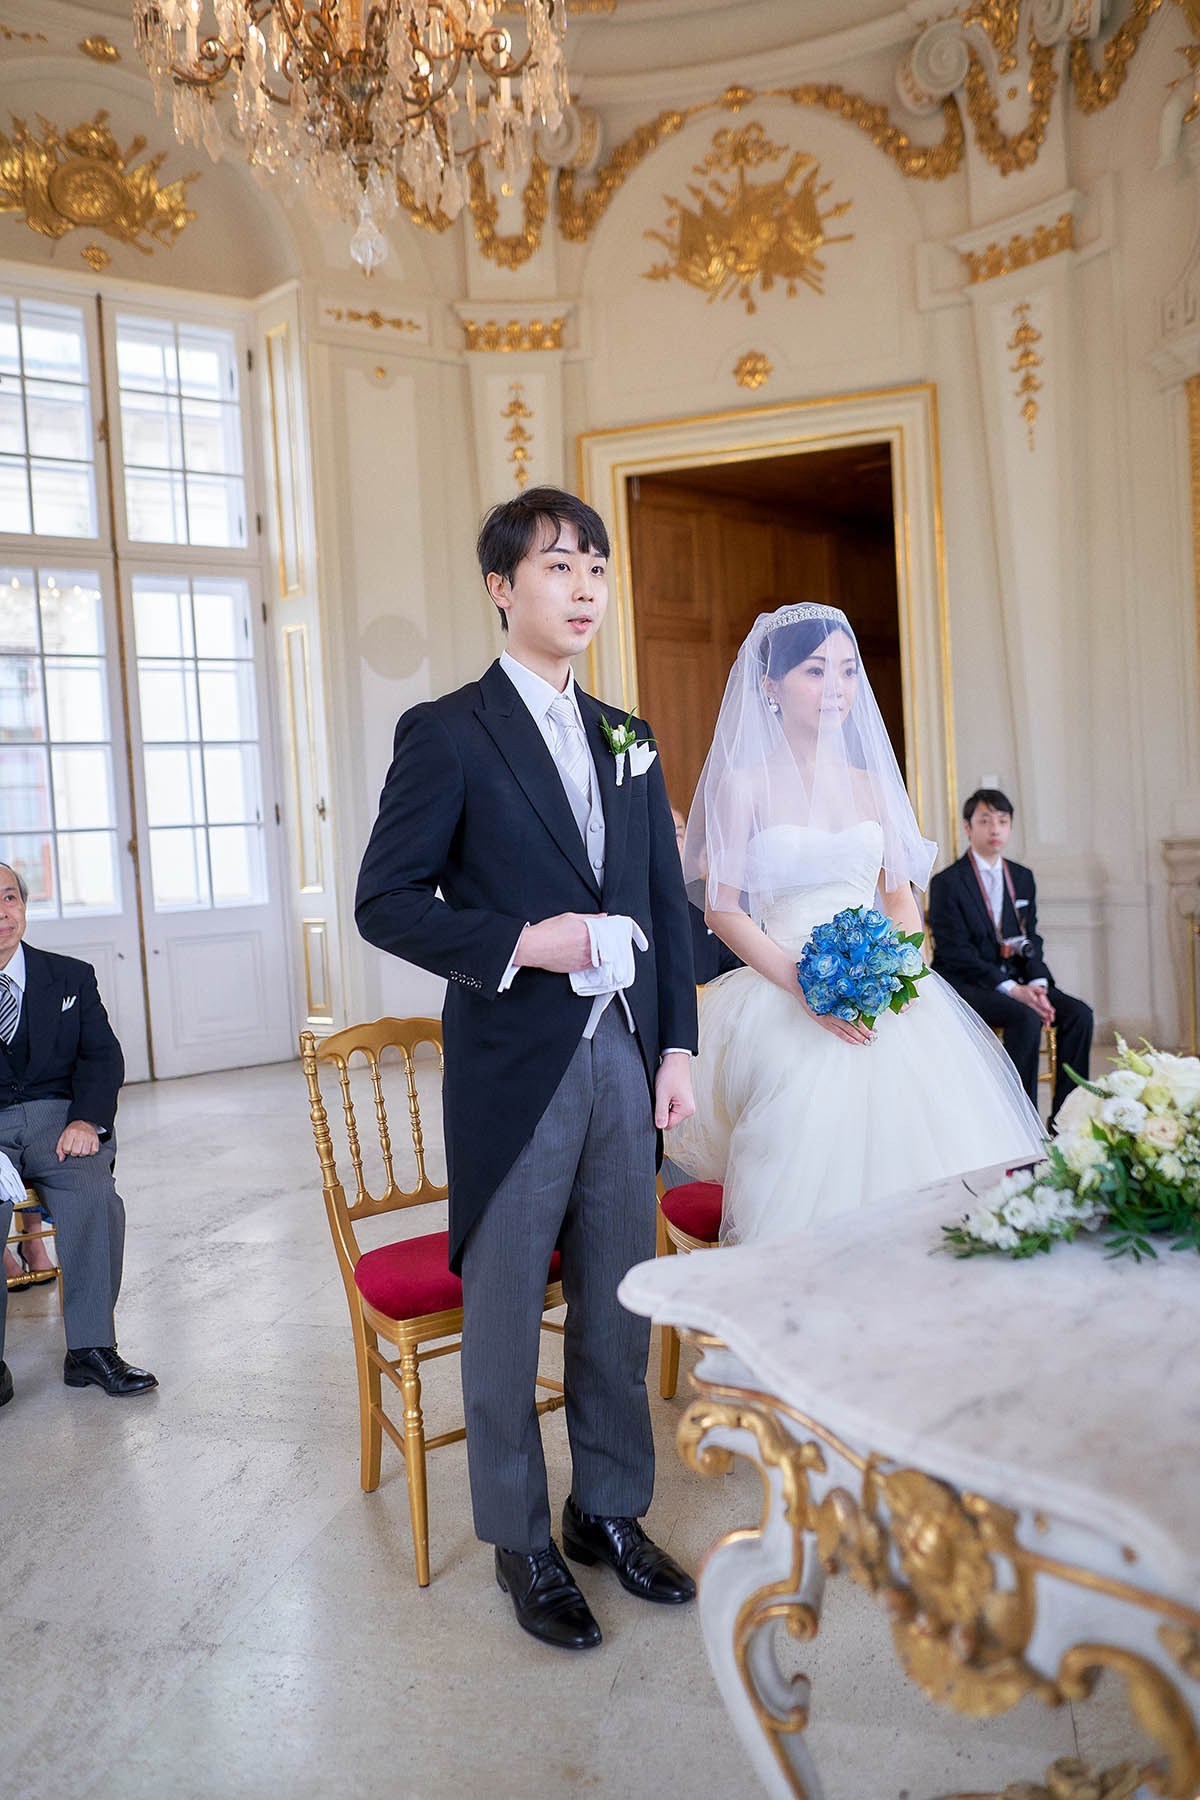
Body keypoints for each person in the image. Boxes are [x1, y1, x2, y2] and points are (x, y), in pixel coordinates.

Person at [356, 487, 698, 1651]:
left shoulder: (628, 732)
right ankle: (519, 1540)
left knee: (616, 1295)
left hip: (626, 1061)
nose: (587, 586)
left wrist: (680, 1047)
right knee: (505, 1308)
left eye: (597, 566)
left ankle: (607, 1510)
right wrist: (518, 942)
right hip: (515, 1066)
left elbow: (659, 902)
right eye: (560, 566)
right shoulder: (446, 731)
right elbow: (384, 901)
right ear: (504, 587)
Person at [669, 604, 1045, 1246]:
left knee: (937, 1137)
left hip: (883, 985)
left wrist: (894, 974)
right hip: (782, 981)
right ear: (770, 685)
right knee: (804, 1132)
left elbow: (899, 901)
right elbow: (722, 908)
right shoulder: (743, 786)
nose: (836, 688)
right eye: (816, 671)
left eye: (846, 671)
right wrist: (805, 984)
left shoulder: (873, 786)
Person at [0, 863, 157, 1409]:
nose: (2, 913)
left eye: (10, 898)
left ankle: (90, 1349)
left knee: (96, 1197)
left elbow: (101, 1055)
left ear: (23, 905)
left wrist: (87, 1119)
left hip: (58, 1120)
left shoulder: (70, 976)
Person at [928, 788, 1093, 1125]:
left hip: (1018, 979)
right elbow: (954, 952)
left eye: (1003, 821)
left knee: (1080, 1015)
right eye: (985, 820)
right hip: (967, 982)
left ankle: (1065, 1122)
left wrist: (1037, 985)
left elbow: (1031, 937)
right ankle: (1022, 1124)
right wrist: (1012, 989)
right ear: (967, 827)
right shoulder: (947, 882)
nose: (995, 829)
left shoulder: (1021, 877)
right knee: (1025, 1017)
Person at [671, 807, 742, 984]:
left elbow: (733, 964)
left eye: (678, 835)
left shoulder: (707, 896)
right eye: (665, 832)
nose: (673, 844)